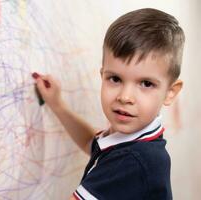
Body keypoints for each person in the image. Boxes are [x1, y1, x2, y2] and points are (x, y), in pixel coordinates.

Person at [33, 8, 185, 200]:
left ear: (170, 92)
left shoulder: (134, 160)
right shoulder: (133, 141)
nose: (125, 97)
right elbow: (91, 143)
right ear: (102, 75)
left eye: (146, 83)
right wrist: (58, 105)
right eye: (115, 79)